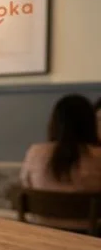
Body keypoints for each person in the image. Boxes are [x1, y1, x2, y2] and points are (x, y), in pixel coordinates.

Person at [20, 94, 101, 229]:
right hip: (90, 237)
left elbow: (26, 183)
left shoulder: (35, 152)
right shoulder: (97, 156)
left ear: (54, 122)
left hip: (43, 231)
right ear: (91, 123)